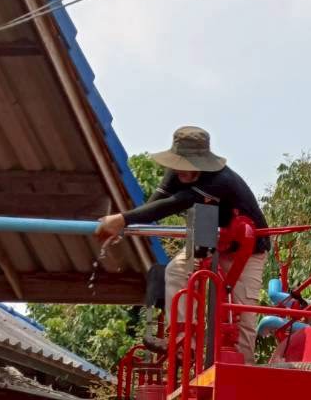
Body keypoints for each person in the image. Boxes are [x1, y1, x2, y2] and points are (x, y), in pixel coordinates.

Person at [95, 125, 269, 362]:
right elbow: (155, 206)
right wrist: (125, 224)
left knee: (239, 314)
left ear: (202, 162)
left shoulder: (220, 180)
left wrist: (122, 219)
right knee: (176, 270)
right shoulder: (176, 172)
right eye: (178, 164)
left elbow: (176, 203)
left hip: (247, 247)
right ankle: (184, 342)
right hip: (211, 233)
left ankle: (241, 368)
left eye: (188, 165)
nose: (181, 171)